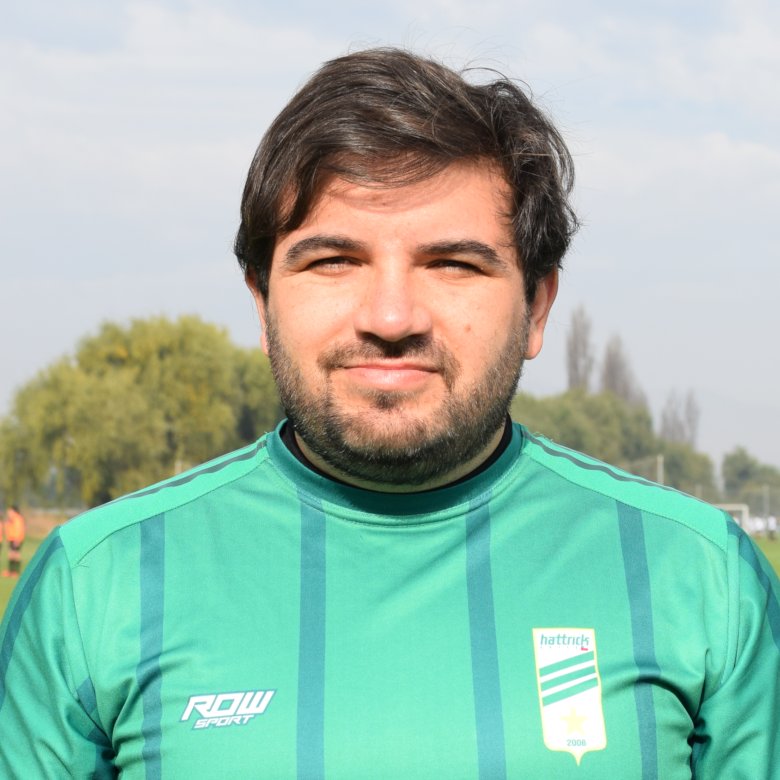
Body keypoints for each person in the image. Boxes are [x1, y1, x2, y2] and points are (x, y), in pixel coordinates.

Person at [0, 48, 778, 779]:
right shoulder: (92, 585)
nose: (392, 316)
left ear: (537, 307)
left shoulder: (701, 577)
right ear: (262, 303)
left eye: (453, 263)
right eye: (335, 261)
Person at [1, 505, 25, 578]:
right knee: (10, 555)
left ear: (14, 511)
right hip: (11, 539)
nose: (9, 513)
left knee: (15, 555)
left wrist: (17, 540)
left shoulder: (17, 519)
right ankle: (10, 571)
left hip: (16, 539)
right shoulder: (10, 519)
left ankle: (16, 571)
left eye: (10, 511)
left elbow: (19, 529)